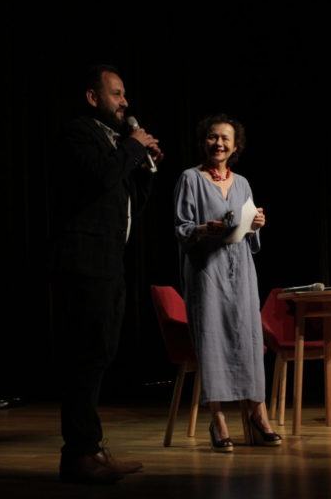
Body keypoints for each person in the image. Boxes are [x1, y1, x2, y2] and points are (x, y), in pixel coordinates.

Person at [49, 64, 163, 484]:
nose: (125, 103)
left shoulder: (115, 144)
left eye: (125, 94)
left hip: (110, 262)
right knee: (85, 356)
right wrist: (132, 148)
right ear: (92, 97)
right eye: (117, 94)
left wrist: (145, 167)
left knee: (99, 354)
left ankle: (90, 450)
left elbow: (130, 204)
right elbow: (99, 177)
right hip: (84, 263)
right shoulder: (79, 133)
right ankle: (80, 455)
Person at [173, 113, 281, 452]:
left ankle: (258, 414)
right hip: (207, 271)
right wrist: (205, 229)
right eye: (213, 137)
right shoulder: (190, 178)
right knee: (212, 341)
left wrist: (256, 224)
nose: (218, 143)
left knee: (249, 339)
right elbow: (181, 229)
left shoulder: (243, 183)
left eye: (225, 139)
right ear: (204, 141)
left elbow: (248, 233)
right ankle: (217, 419)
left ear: (235, 146)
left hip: (241, 271)